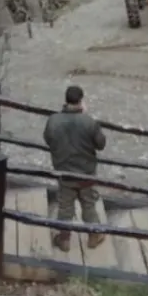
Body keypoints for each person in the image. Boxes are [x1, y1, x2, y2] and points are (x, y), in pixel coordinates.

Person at [42, 85, 107, 252]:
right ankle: (94, 236)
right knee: (88, 204)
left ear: (66, 100)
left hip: (65, 173)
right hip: (86, 173)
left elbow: (48, 139)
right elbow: (101, 145)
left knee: (65, 206)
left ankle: (64, 240)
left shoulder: (53, 120)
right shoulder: (89, 122)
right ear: (81, 101)